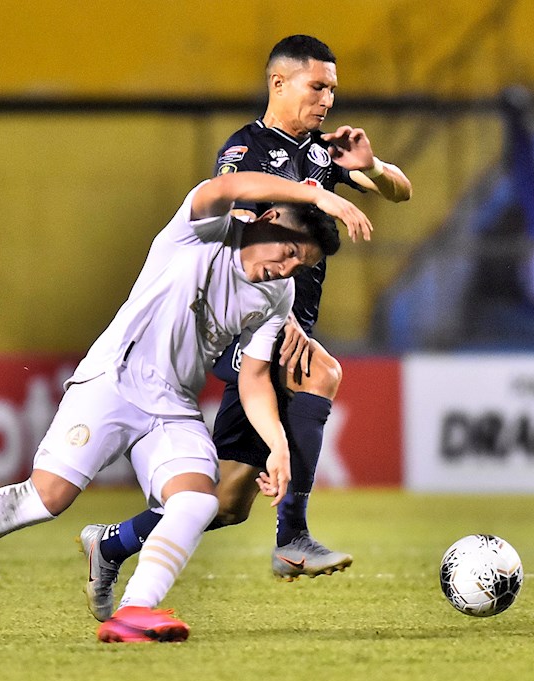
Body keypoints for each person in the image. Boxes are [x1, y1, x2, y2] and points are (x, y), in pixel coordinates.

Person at [0, 170, 371, 643]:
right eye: (287, 253)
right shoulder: (203, 230)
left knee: (200, 501)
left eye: (298, 266)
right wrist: (316, 196)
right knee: (45, 499)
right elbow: (230, 185)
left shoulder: (276, 293)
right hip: (113, 381)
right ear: (270, 219)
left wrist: (278, 446)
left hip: (172, 406)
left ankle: (135, 610)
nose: (285, 269)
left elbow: (256, 377)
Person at [78, 34, 412, 622]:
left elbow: (400, 192)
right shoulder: (245, 151)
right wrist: (319, 201)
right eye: (318, 86)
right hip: (248, 327)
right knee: (321, 374)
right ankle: (294, 540)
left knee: (226, 501)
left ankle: (112, 544)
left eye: (333, 88)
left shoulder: (321, 151)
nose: (328, 99)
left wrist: (373, 167)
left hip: (287, 323)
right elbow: (235, 235)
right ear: (278, 83)